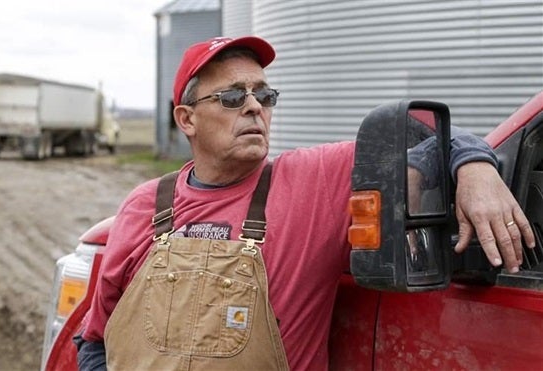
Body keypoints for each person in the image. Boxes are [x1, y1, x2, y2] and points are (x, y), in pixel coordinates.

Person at [76, 36, 535, 370]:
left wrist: (475, 167)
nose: (255, 107)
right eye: (233, 97)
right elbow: (95, 341)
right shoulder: (144, 205)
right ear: (187, 118)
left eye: (264, 95)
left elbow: (424, 139)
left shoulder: (315, 180)